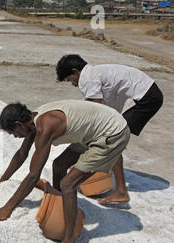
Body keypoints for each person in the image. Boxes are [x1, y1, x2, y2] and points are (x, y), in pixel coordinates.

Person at [0, 100, 130, 243]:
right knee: (59, 165)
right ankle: (62, 208)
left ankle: (69, 240)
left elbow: (33, 175)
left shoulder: (47, 125)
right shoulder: (34, 120)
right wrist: (1, 183)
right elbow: (21, 154)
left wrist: (7, 208)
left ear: (20, 124)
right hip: (94, 130)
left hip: (113, 133)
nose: (15, 137)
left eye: (13, 133)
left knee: (68, 184)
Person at [56, 54, 164, 203]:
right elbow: (102, 109)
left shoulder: (88, 78)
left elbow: (96, 110)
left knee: (112, 138)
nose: (73, 84)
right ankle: (115, 183)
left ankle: (121, 192)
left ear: (76, 71)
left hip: (146, 99)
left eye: (70, 79)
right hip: (149, 93)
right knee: (110, 135)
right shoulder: (95, 73)